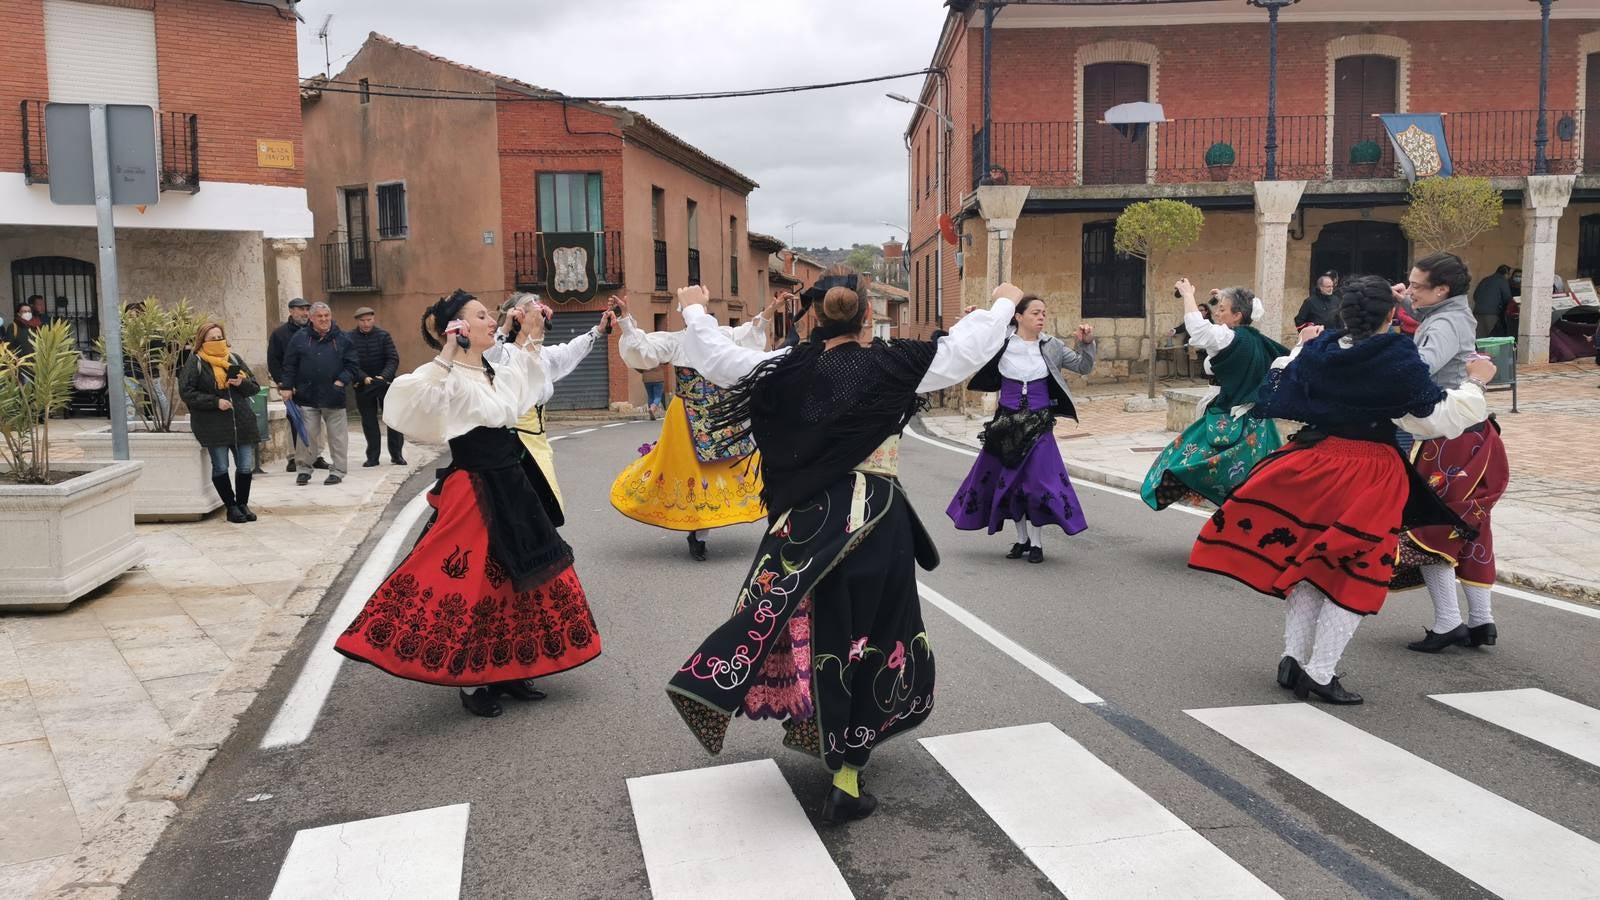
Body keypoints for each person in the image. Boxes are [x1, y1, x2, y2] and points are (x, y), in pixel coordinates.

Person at [665, 275, 1019, 824]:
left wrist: (695, 312)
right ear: (868, 316)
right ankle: (847, 773)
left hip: (806, 523)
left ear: (812, 316)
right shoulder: (896, 363)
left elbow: (718, 360)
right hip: (879, 519)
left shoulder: (783, 369)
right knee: (874, 636)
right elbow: (965, 350)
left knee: (811, 623)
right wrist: (1000, 304)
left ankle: (777, 710)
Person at [1189, 275, 1494, 706]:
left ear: (1342, 315)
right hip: (1369, 470)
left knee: (1310, 561)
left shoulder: (1319, 350)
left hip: (1313, 462)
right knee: (1357, 570)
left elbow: (1280, 384)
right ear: (1392, 315)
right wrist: (1476, 384)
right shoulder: (1395, 357)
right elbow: (1431, 420)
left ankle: (1292, 658)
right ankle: (1320, 671)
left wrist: (1302, 345)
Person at [334, 291, 601, 718]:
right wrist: (446, 351)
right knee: (475, 583)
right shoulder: (447, 376)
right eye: (480, 316)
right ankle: (475, 680)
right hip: (474, 489)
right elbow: (405, 402)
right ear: (458, 328)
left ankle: (512, 669)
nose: (490, 320)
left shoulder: (494, 370)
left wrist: (530, 335)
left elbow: (526, 389)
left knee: (521, 577)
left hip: (512, 483)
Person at [1392, 252, 1512, 653]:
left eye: (1416, 286)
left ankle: (1448, 622)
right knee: (1471, 525)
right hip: (1477, 434)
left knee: (1432, 525)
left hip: (1448, 439)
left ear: (1441, 290)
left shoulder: (1442, 322)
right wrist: (1404, 303)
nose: (1410, 291)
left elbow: (1419, 368)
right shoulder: (1456, 313)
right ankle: (1482, 621)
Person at [609, 293, 780, 560]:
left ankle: (706, 529)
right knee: (690, 471)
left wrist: (770, 309)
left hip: (721, 413)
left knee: (730, 467)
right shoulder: (676, 340)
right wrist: (625, 320)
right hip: (687, 415)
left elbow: (749, 335)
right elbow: (642, 351)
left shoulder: (722, 336)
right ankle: (698, 531)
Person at [947, 293, 1095, 563]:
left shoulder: (1052, 345)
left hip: (1039, 424)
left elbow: (1084, 366)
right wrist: (972, 320)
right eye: (1035, 313)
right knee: (1011, 484)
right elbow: (971, 344)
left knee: (1038, 483)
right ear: (1018, 316)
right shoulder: (1000, 342)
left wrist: (1087, 343)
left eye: (1044, 313)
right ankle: (1021, 540)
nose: (1041, 317)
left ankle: (1037, 544)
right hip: (1006, 424)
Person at [1142, 279, 1289, 511]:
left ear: (1238, 315)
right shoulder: (1255, 339)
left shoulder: (1229, 338)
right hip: (1257, 424)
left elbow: (1199, 332)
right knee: (1253, 479)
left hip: (1230, 418)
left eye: (1222, 310)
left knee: (1182, 460)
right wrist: (1223, 297)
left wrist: (1188, 294)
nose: (1217, 314)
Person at [503, 292, 612, 513]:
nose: (542, 311)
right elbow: (492, 359)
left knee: (545, 504)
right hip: (514, 444)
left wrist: (598, 331)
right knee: (529, 507)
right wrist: (510, 330)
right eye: (535, 308)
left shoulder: (543, 355)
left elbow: (568, 352)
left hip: (539, 443)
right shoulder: (505, 353)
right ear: (519, 317)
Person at [178, 322, 261, 524]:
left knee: (244, 466)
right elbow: (187, 392)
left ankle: (242, 504)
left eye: (219, 337)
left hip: (241, 420)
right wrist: (215, 402)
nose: (217, 341)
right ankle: (231, 507)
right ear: (202, 340)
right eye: (212, 338)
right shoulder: (196, 361)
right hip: (212, 423)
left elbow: (255, 387)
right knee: (221, 466)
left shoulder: (233, 358)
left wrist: (242, 383)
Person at [281, 302, 358, 486]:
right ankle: (304, 469)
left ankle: (338, 471)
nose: (324, 319)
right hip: (307, 396)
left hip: (334, 396)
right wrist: (286, 386)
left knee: (337, 437)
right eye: (319, 316)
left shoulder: (343, 338)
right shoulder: (300, 338)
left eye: (326, 316)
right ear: (312, 319)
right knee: (306, 434)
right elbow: (289, 365)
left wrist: (340, 381)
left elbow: (353, 365)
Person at [268, 298, 327, 473]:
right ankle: (294, 458)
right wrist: (283, 384)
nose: (304, 312)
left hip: (315, 385)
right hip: (291, 386)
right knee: (294, 421)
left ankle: (316, 456)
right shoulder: (279, 334)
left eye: (306, 309)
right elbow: (274, 361)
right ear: (291, 311)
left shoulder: (315, 331)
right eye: (300, 309)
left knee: (318, 421)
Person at [349, 306, 406, 467]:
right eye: (362, 320)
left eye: (369, 320)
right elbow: (350, 362)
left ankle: (397, 455)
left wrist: (384, 376)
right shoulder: (350, 338)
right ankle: (372, 457)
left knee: (392, 421)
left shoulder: (383, 336)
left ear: (373, 319)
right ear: (357, 321)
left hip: (384, 383)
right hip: (363, 385)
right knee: (369, 422)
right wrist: (363, 377)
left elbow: (392, 358)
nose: (366, 323)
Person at [1472, 265, 1514, 339]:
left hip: (1477, 312)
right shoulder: (1503, 281)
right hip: (1491, 315)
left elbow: (1475, 295)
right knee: (1491, 339)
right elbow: (1507, 298)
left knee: (1479, 338)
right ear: (1506, 273)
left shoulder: (1485, 279)